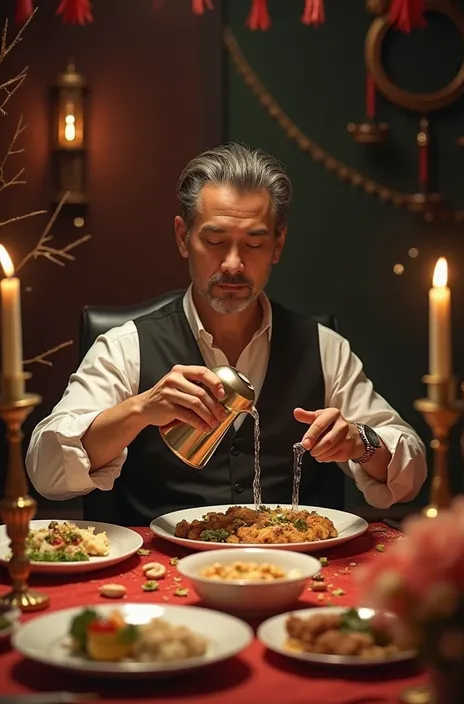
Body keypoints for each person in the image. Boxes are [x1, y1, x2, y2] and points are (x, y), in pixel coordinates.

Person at [26, 143, 427, 525]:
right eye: (215, 241)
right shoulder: (124, 347)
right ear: (184, 237)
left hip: (294, 570)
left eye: (254, 242)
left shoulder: (323, 348)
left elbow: (411, 471)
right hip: (161, 576)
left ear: (278, 245)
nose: (233, 264)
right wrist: (140, 409)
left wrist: (361, 442)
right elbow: (46, 472)